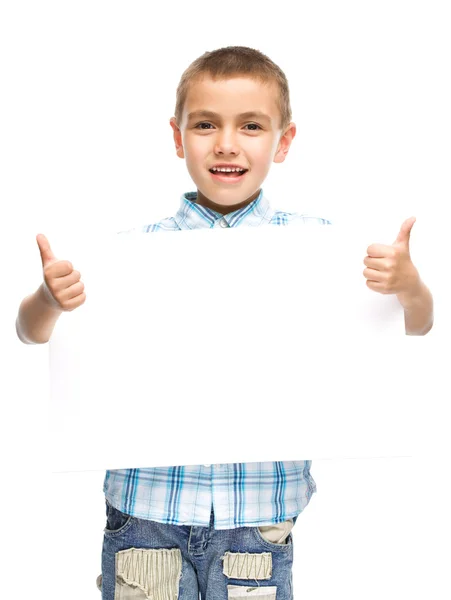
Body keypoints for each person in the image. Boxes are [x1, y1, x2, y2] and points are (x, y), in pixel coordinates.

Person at [16, 46, 433, 600]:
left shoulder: (324, 249)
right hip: (147, 509)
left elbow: (417, 325)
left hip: (258, 516)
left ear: (283, 140)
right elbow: (30, 331)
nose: (226, 143)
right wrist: (49, 297)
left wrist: (407, 285)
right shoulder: (128, 256)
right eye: (206, 124)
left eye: (251, 126)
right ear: (177, 136)